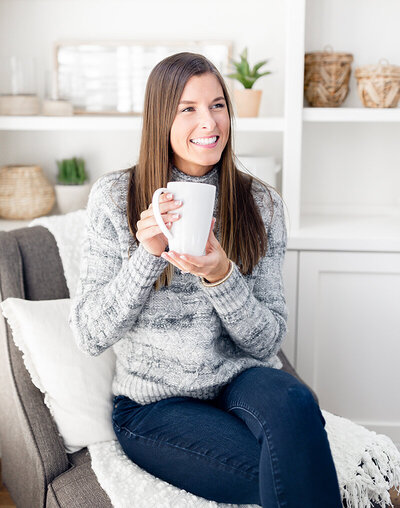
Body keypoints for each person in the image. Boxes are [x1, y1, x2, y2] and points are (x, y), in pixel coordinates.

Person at [69, 52, 342, 507]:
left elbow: (266, 340)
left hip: (242, 379)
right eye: (188, 108)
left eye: (218, 105)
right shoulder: (115, 198)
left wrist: (222, 276)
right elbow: (90, 334)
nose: (209, 122)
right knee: (291, 469)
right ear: (161, 118)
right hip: (155, 405)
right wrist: (146, 258)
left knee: (295, 400)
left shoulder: (263, 204)